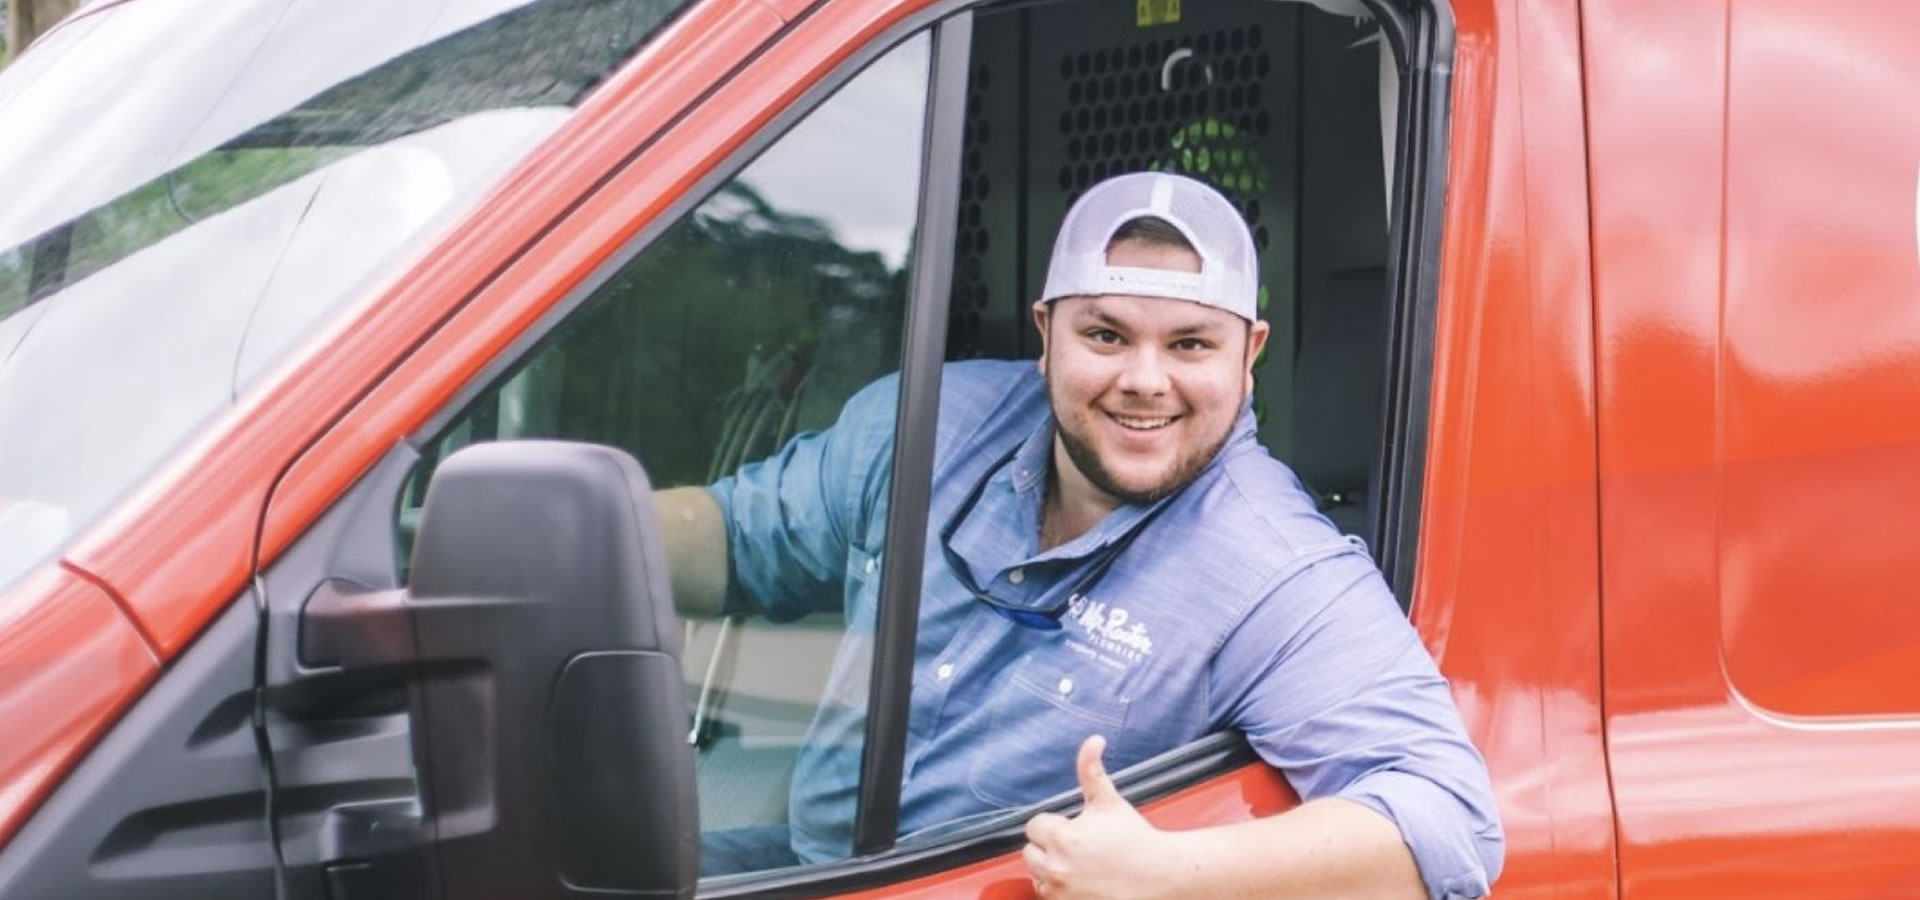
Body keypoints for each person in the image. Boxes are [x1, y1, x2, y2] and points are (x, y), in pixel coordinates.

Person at [656, 171, 1503, 898]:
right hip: (819, 868)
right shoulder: (926, 426)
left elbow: (1449, 819)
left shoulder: (1274, 573)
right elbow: (739, 538)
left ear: (1249, 355)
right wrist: (554, 540)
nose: (1144, 380)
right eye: (1105, 334)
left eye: (1190, 344)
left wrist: (1169, 874)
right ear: (1044, 333)